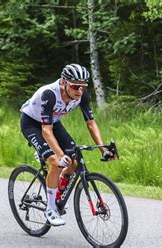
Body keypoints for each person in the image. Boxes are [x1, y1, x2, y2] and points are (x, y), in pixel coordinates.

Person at [20, 64, 116, 226]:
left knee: (75, 161)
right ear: (64, 82)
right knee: (56, 163)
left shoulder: (82, 95)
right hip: (32, 124)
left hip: (53, 123)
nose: (79, 90)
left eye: (83, 86)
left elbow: (91, 124)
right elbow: (46, 131)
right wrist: (58, 154)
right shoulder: (49, 94)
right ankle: (50, 209)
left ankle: (57, 195)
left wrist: (103, 149)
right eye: (75, 86)